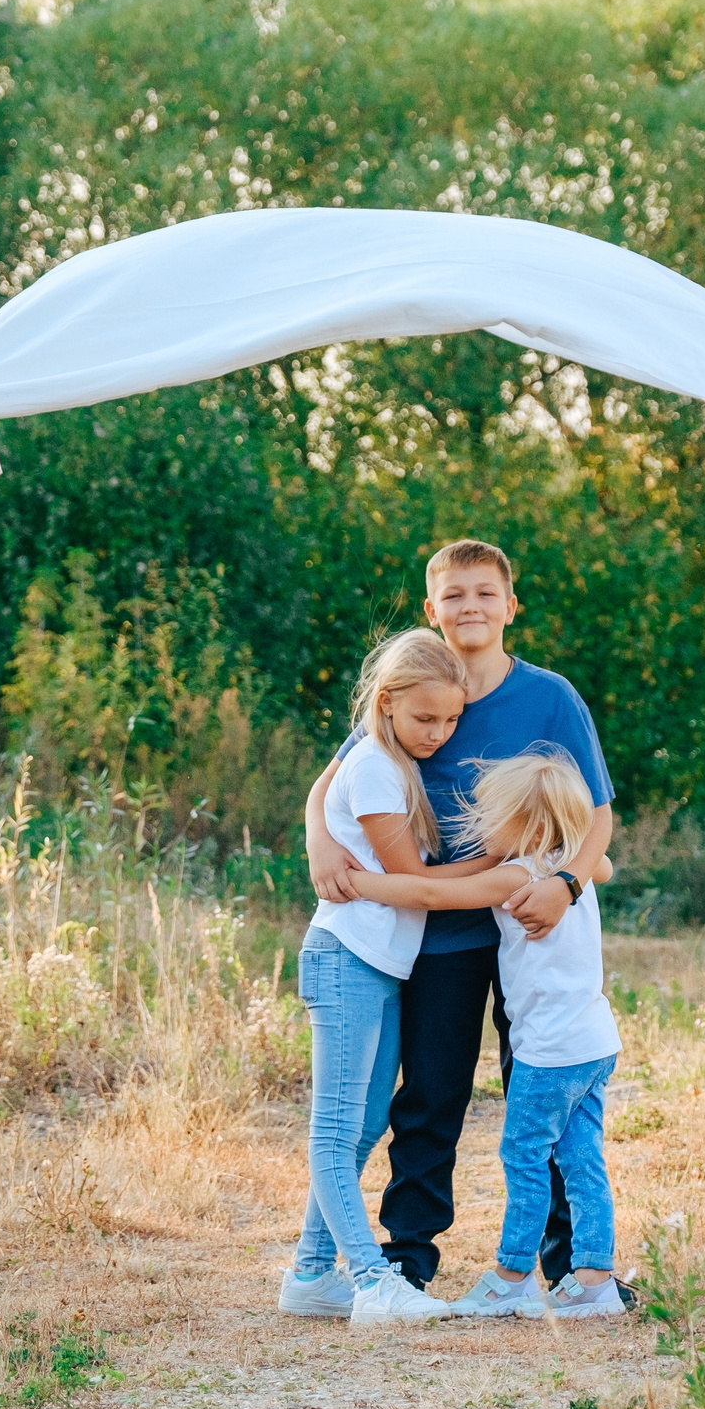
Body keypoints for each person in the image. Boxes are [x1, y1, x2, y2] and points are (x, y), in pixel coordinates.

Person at [304, 540, 615, 1288]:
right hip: (438, 933)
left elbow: (599, 816)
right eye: (454, 594)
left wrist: (566, 883)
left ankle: (566, 1263)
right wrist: (319, 842)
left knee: (540, 1092)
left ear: (511, 606)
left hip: (529, 925)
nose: (469, 605)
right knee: (430, 1094)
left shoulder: (550, 697)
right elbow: (328, 783)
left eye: (485, 593)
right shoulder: (418, 686)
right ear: (431, 609)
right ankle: (408, 1257)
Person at [348, 753, 624, 1319]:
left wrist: (359, 883)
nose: (482, 827)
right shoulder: (576, 869)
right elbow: (606, 866)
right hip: (594, 1042)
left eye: (494, 818)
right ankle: (594, 1280)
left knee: (524, 1157)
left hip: (548, 1051)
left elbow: (433, 897)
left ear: (530, 829)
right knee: (582, 1160)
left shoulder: (518, 875)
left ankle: (511, 1275)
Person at [277, 630, 470, 1326]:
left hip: (382, 966)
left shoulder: (395, 761)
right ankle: (371, 1280)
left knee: (364, 1125)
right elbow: (415, 884)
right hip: (345, 958)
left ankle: (309, 1275)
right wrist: (507, 868)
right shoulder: (376, 767)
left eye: (450, 719)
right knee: (335, 1131)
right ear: (386, 702)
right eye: (425, 717)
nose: (438, 733)